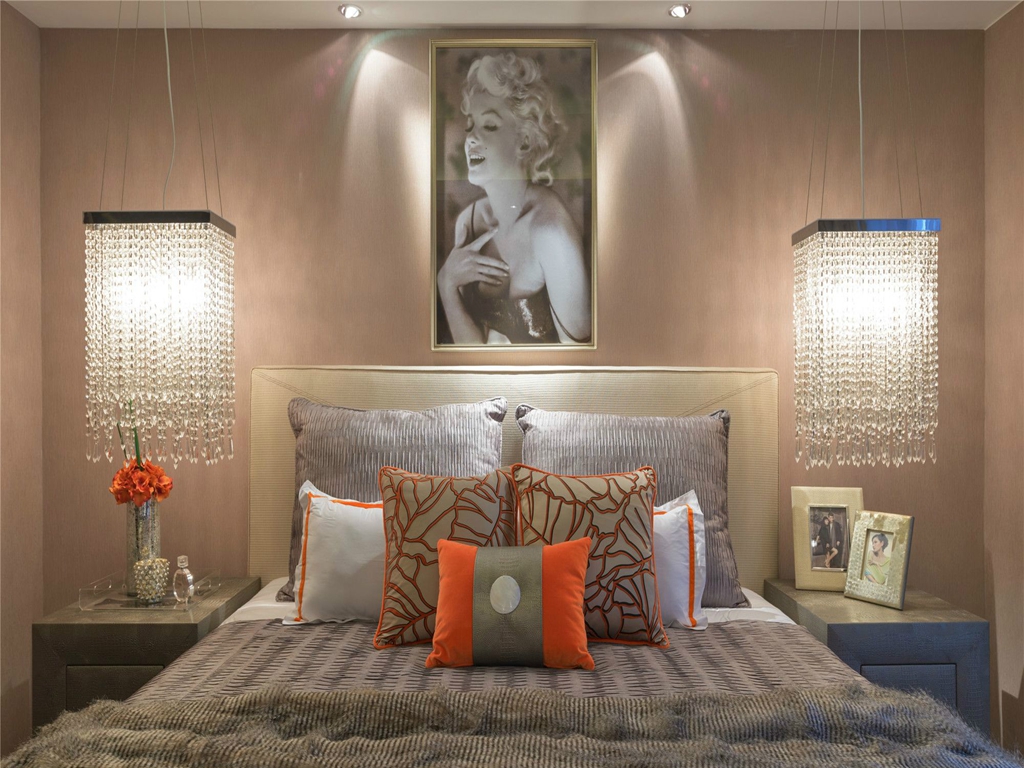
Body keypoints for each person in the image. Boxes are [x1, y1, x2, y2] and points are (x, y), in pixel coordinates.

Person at [437, 52, 591, 345]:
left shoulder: (550, 232)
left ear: (524, 140)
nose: (470, 138)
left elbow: (581, 360)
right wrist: (446, 284)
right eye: (470, 125)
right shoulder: (468, 223)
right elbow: (472, 354)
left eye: (489, 125)